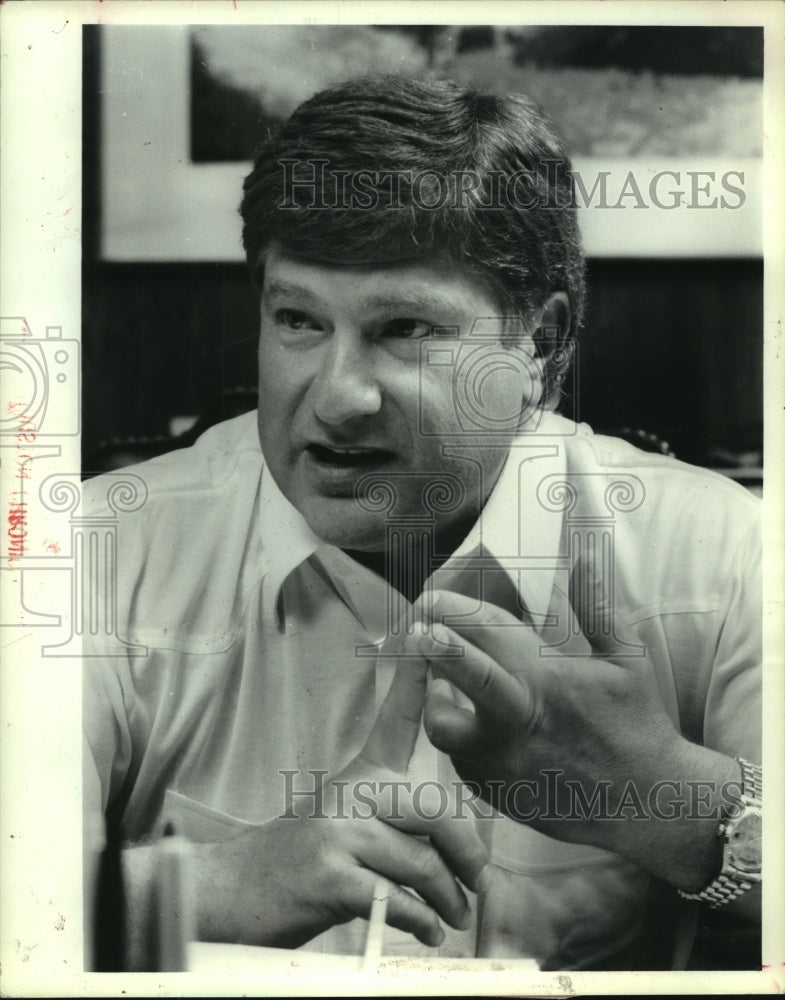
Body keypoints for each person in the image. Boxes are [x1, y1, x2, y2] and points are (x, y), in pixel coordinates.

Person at [83, 74, 761, 971]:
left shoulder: (722, 554)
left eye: (404, 328)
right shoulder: (93, 552)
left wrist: (664, 797)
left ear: (540, 345)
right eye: (297, 320)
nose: (336, 398)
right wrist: (222, 885)